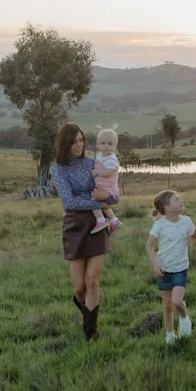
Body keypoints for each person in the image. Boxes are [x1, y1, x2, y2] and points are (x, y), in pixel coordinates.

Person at [50, 122, 116, 340]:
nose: (78, 145)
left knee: (92, 281)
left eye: (81, 140)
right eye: (73, 141)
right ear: (64, 144)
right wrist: (95, 201)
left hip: (98, 224)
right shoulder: (58, 169)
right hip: (74, 227)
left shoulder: (93, 163)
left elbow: (114, 197)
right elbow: (68, 202)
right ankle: (88, 312)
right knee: (79, 288)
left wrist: (105, 199)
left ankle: (90, 332)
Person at [145, 189, 195, 345]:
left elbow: (194, 239)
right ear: (167, 207)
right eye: (177, 199)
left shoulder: (187, 221)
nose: (181, 201)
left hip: (180, 268)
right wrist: (155, 262)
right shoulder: (160, 225)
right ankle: (170, 335)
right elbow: (149, 246)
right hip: (163, 269)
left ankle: (184, 318)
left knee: (177, 301)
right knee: (167, 306)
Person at [90, 127, 123, 234]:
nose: (106, 146)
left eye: (110, 144)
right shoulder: (100, 157)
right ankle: (114, 221)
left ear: (115, 146)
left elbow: (109, 172)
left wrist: (97, 172)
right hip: (105, 191)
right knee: (102, 205)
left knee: (93, 201)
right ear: (98, 145)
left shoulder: (111, 159)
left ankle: (101, 221)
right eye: (103, 143)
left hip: (110, 193)